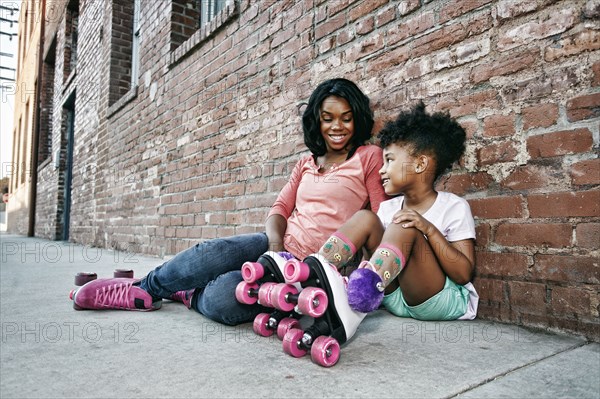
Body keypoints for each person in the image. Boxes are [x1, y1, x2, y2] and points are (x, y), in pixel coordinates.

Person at [70, 78, 389, 325]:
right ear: (316, 121)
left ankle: (185, 291)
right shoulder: (305, 163)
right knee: (212, 252)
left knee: (226, 295)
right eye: (328, 118)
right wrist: (274, 245)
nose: (337, 127)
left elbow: (379, 220)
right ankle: (142, 288)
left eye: (345, 118)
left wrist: (365, 277)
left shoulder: (368, 158)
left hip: (310, 271)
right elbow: (279, 210)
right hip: (275, 247)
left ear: (356, 119)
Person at [311, 102, 478, 321]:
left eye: (389, 160)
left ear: (420, 165)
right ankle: (314, 272)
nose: (381, 170)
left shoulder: (454, 206)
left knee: (404, 225)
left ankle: (363, 286)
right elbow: (374, 254)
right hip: (390, 296)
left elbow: (464, 273)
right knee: (366, 218)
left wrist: (428, 229)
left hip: (437, 300)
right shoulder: (388, 207)